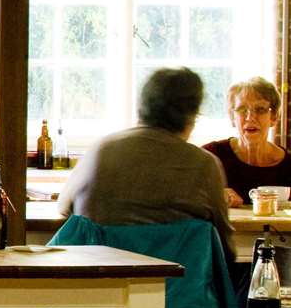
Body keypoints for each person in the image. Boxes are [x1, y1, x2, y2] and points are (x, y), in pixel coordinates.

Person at [58, 66, 231, 252]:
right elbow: (223, 245)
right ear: (191, 117)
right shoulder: (204, 164)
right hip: (179, 279)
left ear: (142, 108)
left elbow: (64, 207)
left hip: (103, 276)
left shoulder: (102, 150)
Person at [203, 77, 291, 207]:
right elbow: (182, 196)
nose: (250, 117)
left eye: (260, 109)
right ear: (233, 117)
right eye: (242, 109)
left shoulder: (288, 166)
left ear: (274, 117)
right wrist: (214, 195)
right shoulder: (211, 156)